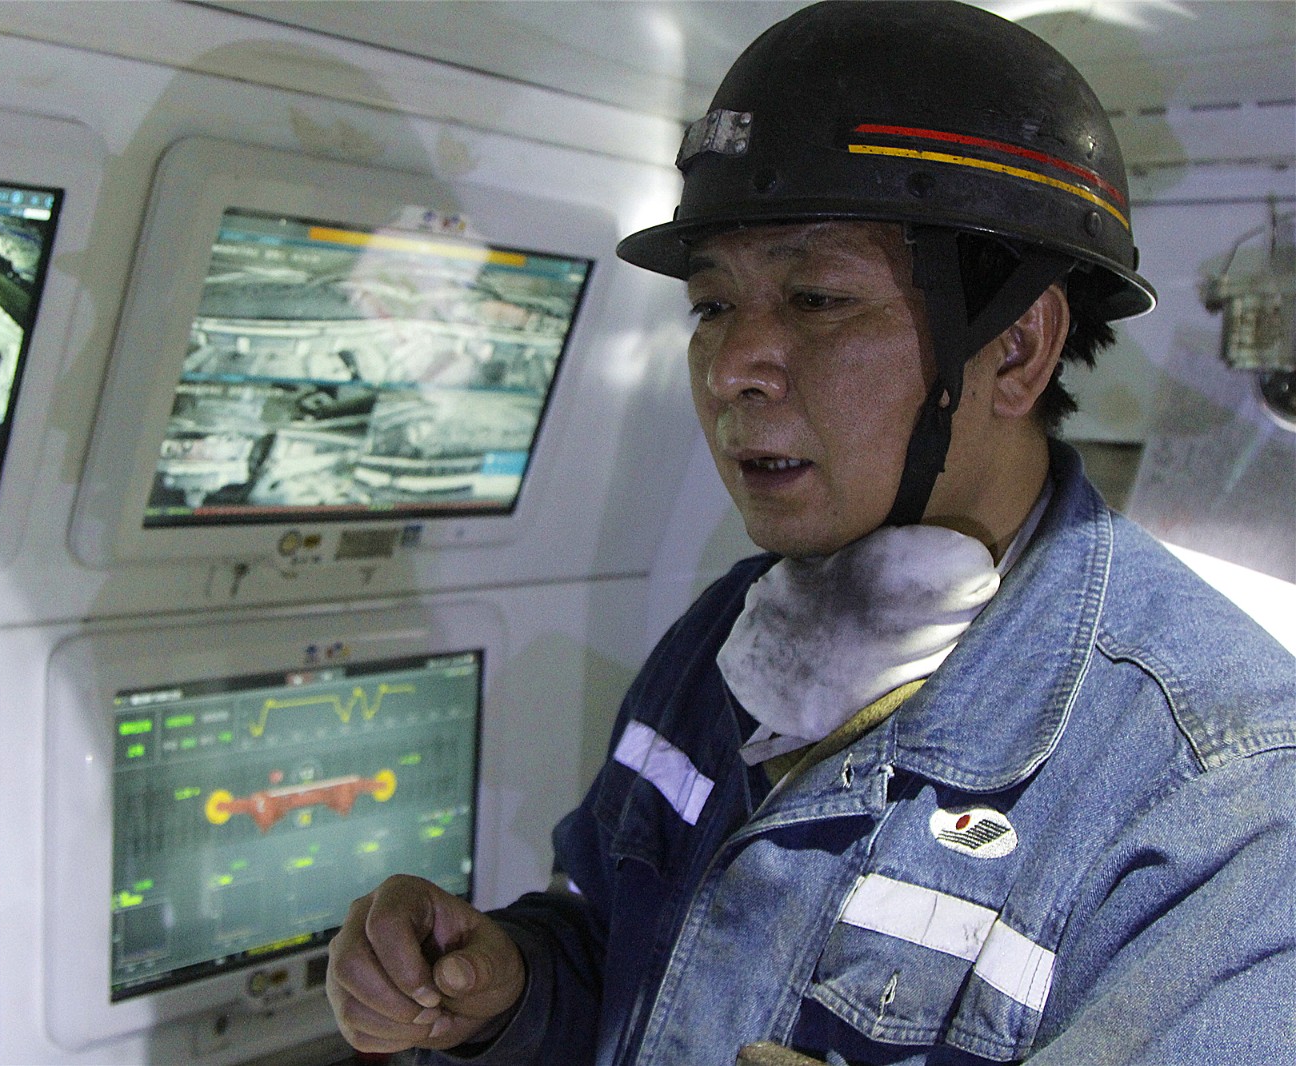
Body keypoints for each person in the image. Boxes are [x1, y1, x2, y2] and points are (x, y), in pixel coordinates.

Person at [325, 3, 1296, 1063]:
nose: (732, 368)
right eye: (711, 307)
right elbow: (617, 942)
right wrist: (509, 987)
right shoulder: (727, 636)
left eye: (817, 297)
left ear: (1016, 349)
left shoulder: (1221, 790)